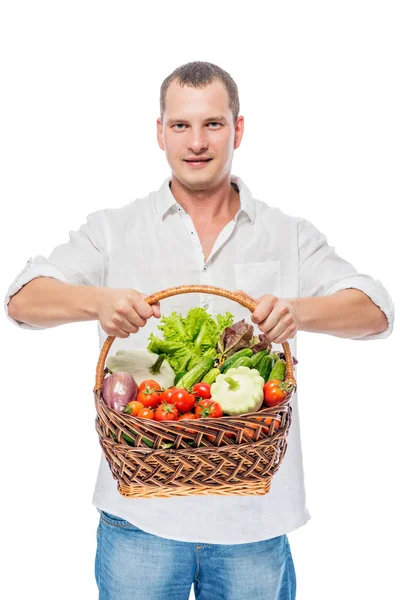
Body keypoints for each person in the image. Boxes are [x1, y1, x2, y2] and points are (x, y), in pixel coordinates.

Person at [5, 61, 394, 600]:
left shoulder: (287, 234)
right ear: (159, 131)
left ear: (237, 130)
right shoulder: (114, 229)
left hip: (253, 523)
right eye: (181, 125)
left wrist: (297, 312)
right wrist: (96, 301)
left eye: (212, 124)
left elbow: (375, 310)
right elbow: (23, 300)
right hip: (138, 517)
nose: (196, 142)